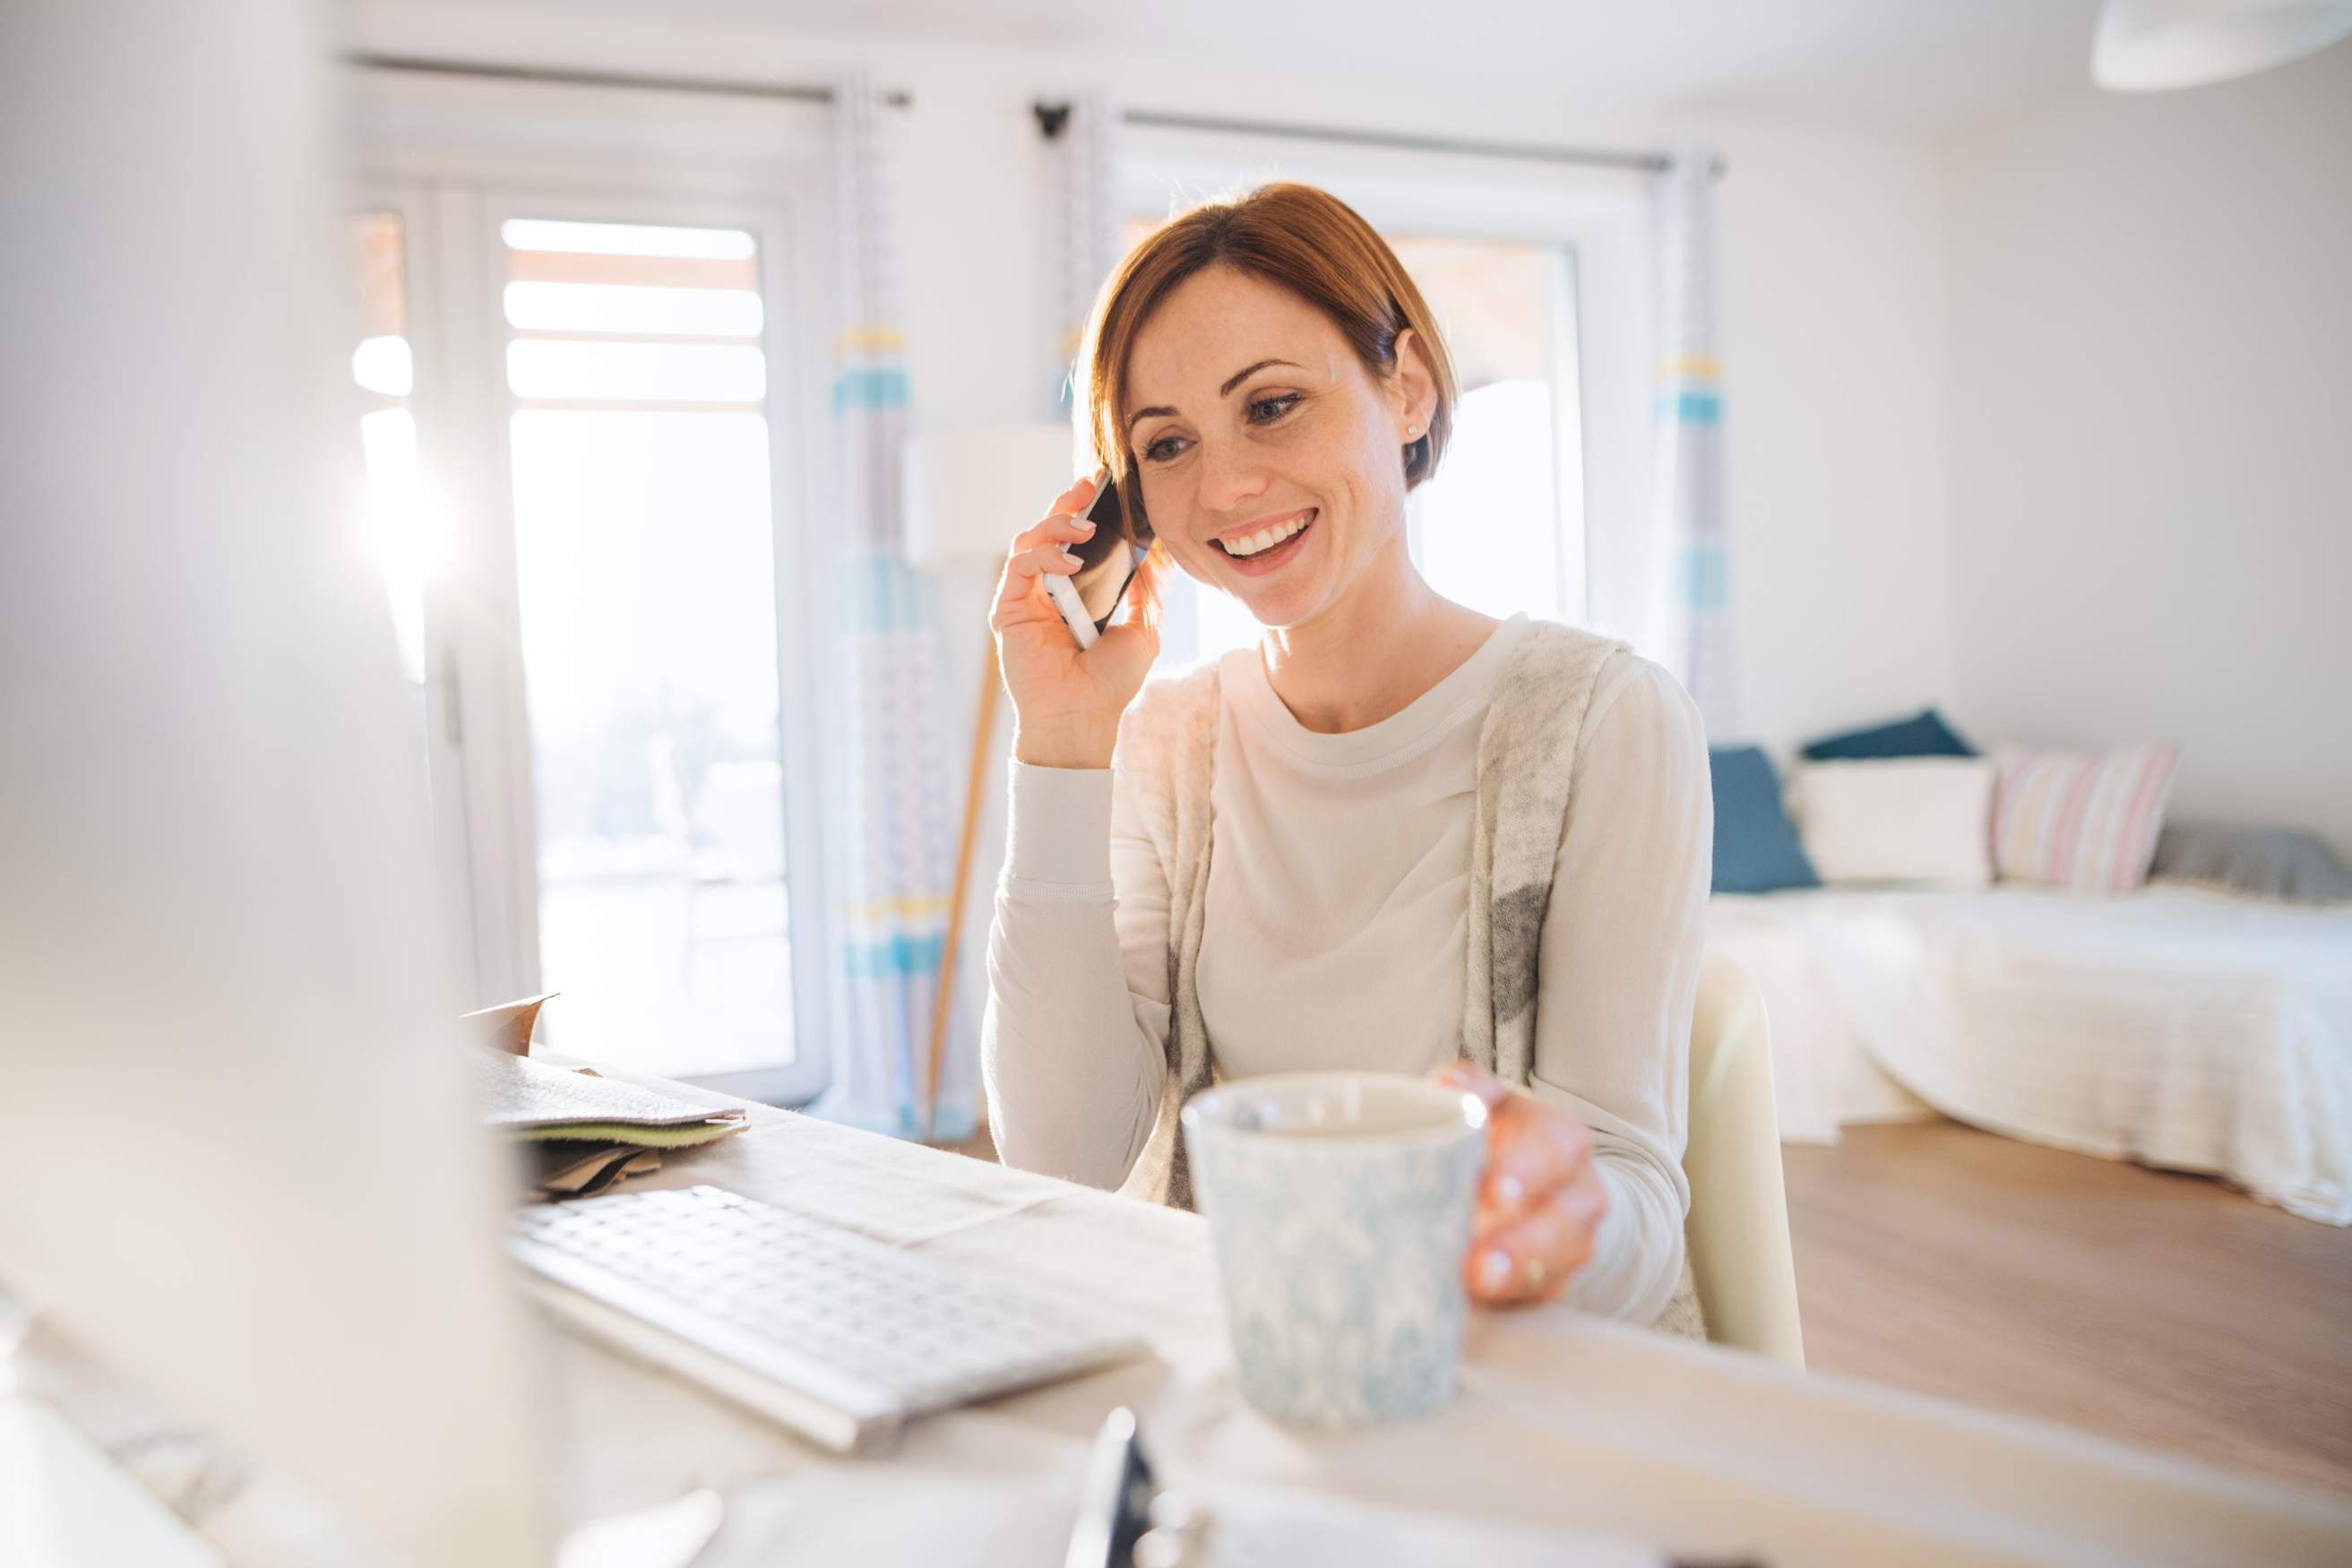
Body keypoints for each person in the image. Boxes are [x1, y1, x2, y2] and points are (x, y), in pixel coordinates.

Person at [982, 182, 1710, 1336]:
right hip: (1255, 1375)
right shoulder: (1168, 745)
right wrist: (1064, 744)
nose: (1224, 489)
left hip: (1511, 1385)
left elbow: (1633, 1207)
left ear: (1407, 388)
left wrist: (1549, 1219)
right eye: (1166, 445)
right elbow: (1064, 1156)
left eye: (1271, 406)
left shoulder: (1603, 720)